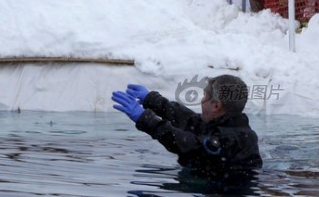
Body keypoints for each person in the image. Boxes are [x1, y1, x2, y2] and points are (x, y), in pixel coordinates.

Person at [111, 75, 262, 181]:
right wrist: (153, 100)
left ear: (216, 106)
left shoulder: (231, 138)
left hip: (227, 186)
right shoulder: (223, 124)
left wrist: (146, 119)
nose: (201, 100)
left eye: (204, 96)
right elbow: (189, 121)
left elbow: (189, 145)